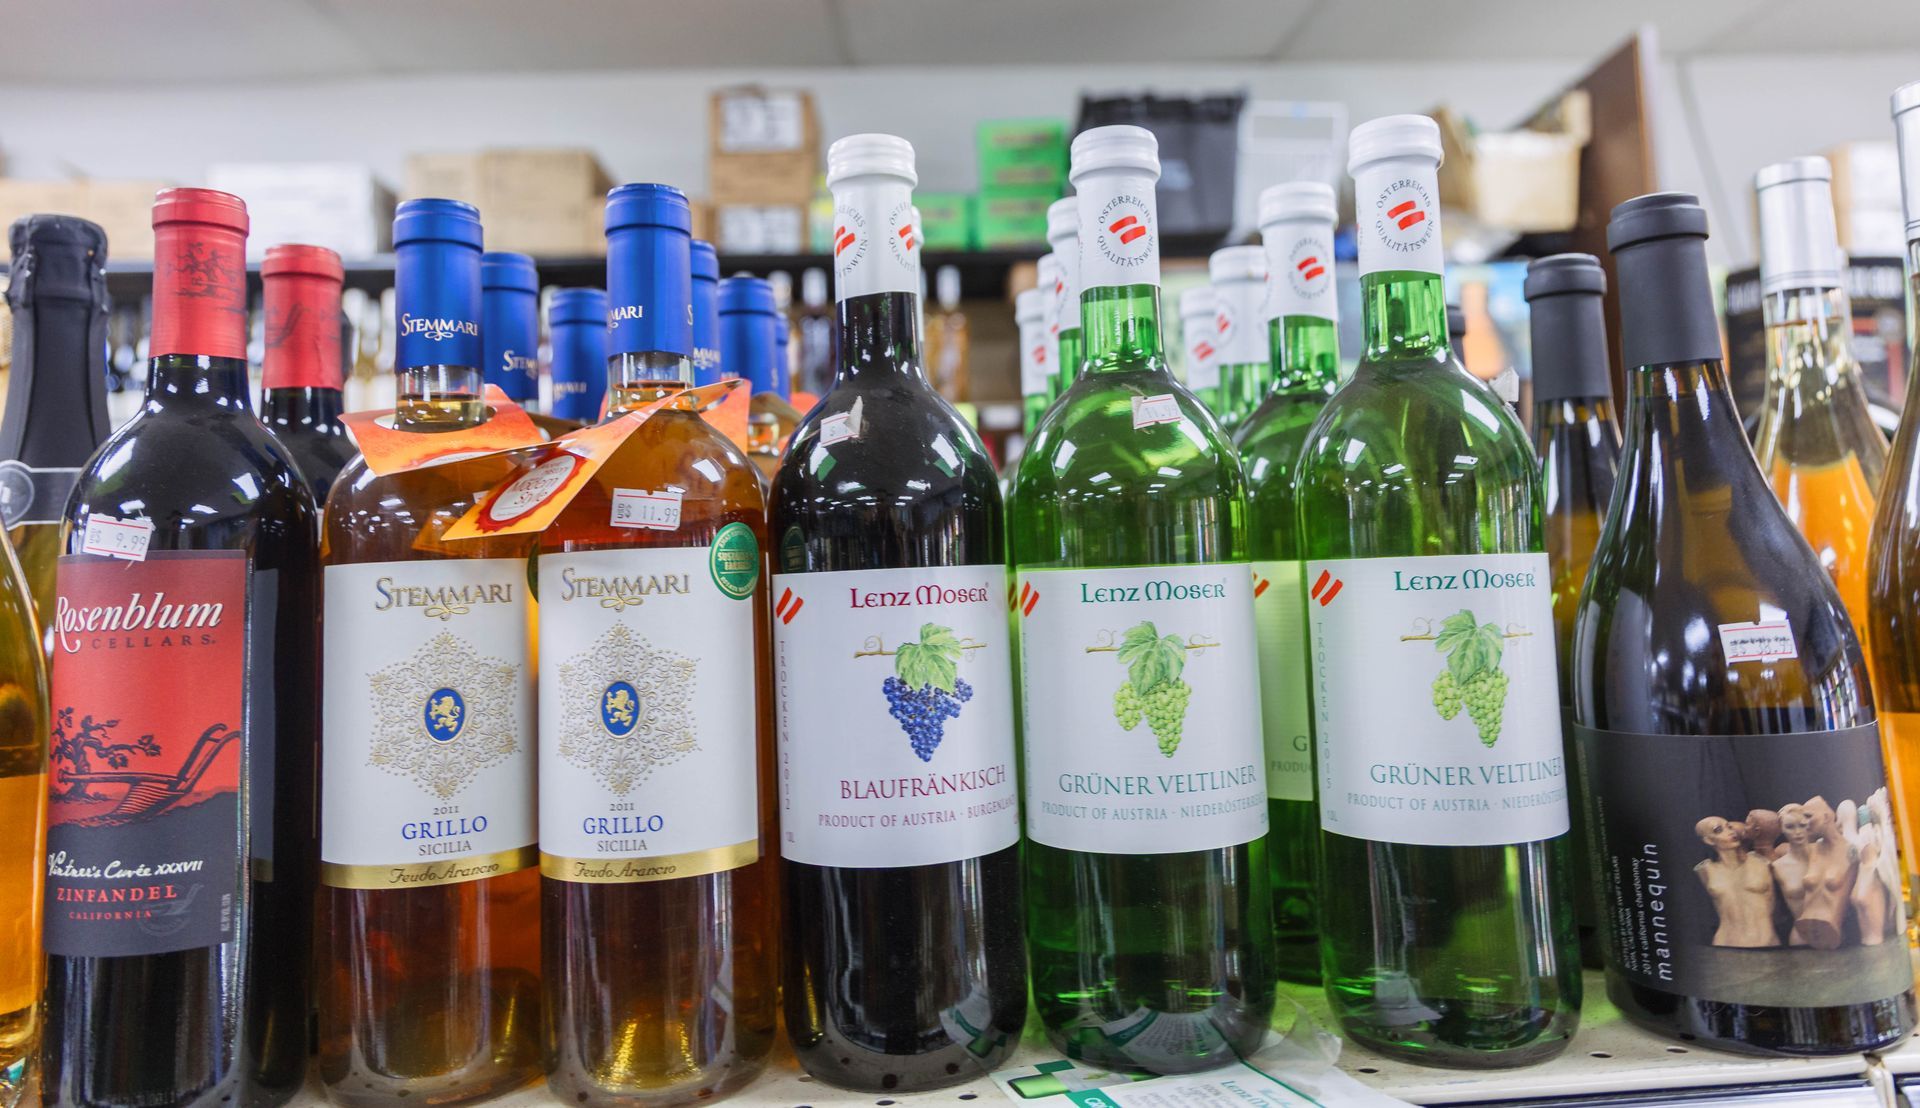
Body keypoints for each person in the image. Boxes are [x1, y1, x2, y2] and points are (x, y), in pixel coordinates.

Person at [1694, 815, 1781, 948]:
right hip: (1725, 945)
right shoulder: (1706, 870)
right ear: (1709, 840)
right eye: (1718, 830)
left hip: (1765, 943)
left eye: (1729, 826)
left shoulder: (1761, 863)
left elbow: (1776, 906)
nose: (1730, 832)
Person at [1793, 796, 1858, 950]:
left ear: (1827, 816)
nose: (1804, 822)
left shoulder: (1851, 850)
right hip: (1804, 928)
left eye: (1808, 816)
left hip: (1833, 931)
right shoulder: (1812, 850)